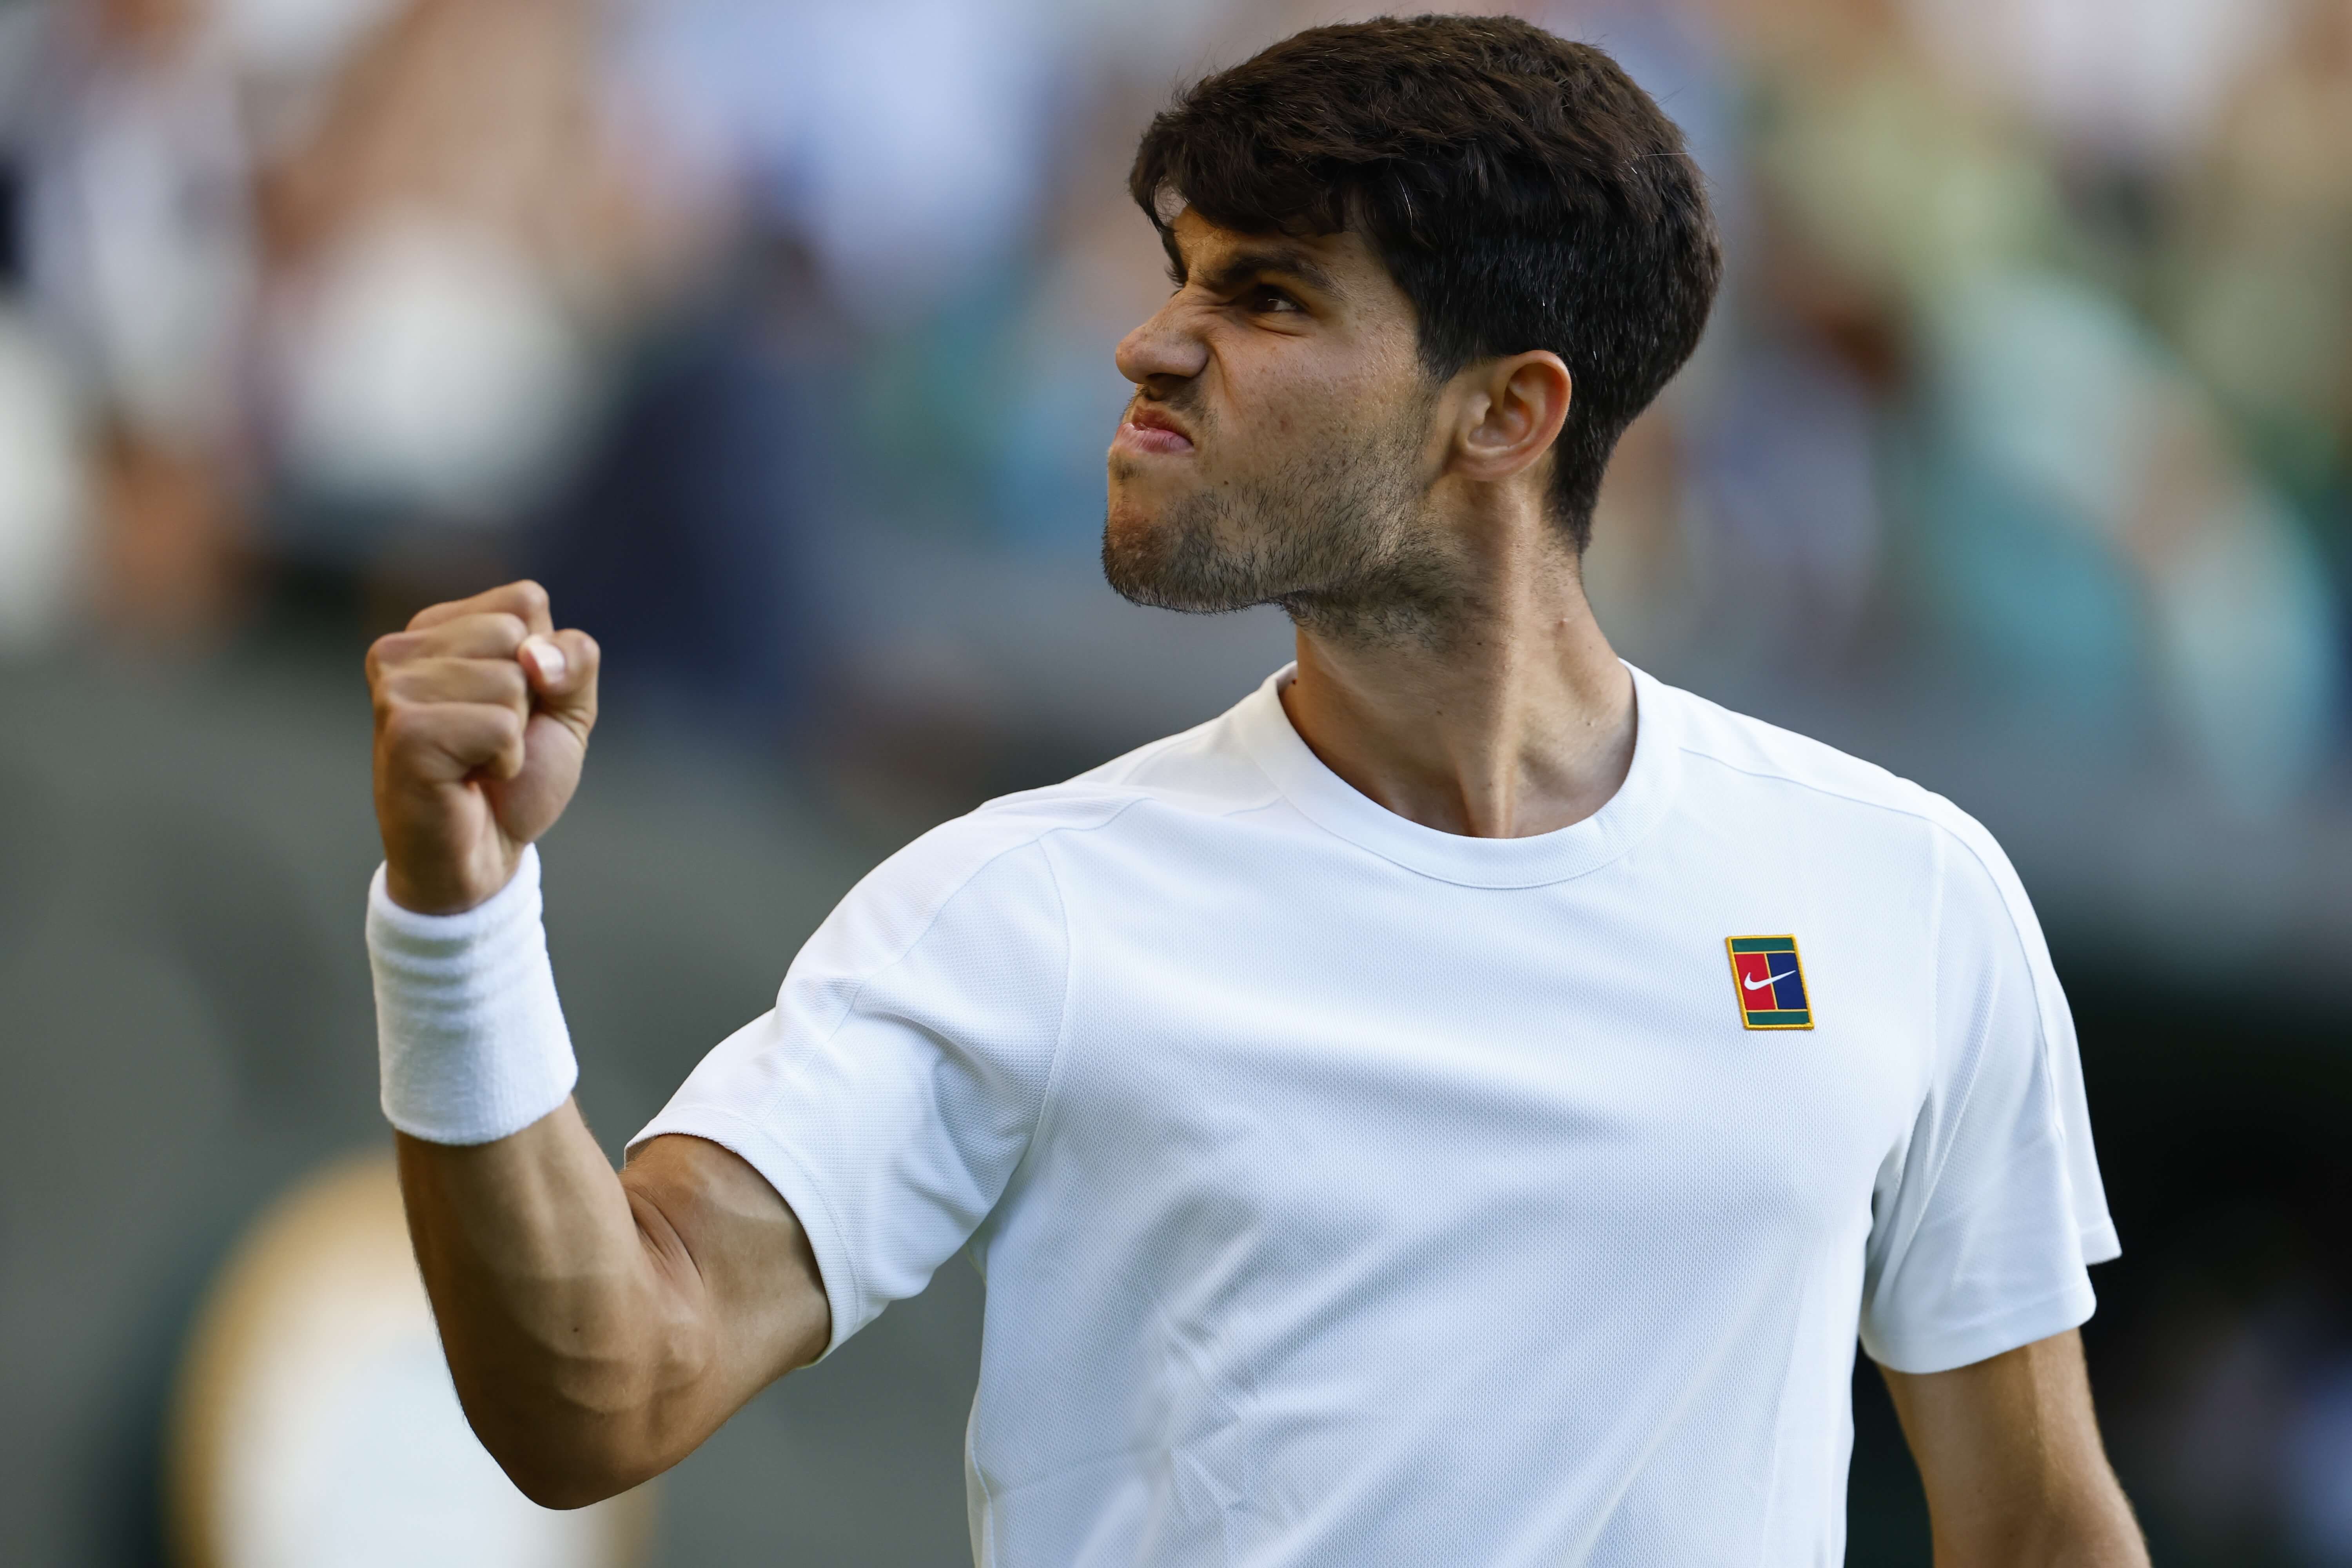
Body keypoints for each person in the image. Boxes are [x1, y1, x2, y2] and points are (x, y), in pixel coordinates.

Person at [363, 16, 2147, 1564]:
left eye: (1267, 294)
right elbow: (603, 1383)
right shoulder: (1022, 908)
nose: (1150, 343)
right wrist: (458, 915)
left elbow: (2042, 1529)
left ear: (1507, 415)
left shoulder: (1905, 894)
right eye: (1179, 273)